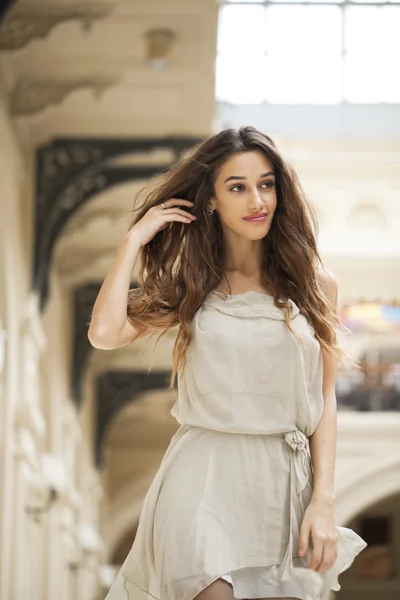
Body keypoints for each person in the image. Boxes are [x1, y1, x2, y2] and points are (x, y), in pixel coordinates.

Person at [89, 126, 367, 600]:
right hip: (201, 477)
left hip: (282, 482)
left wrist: (323, 499)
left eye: (266, 184)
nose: (256, 199)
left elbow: (323, 398)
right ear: (212, 200)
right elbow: (105, 332)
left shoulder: (317, 285)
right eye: (237, 187)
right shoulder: (192, 283)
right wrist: (132, 242)